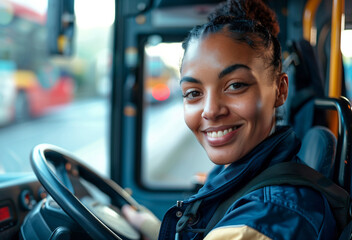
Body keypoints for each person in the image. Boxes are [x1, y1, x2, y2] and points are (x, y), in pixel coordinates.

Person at [122, 0, 337, 239]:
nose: (211, 111)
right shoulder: (240, 170)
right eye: (194, 93)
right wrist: (148, 226)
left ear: (280, 89)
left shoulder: (261, 220)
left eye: (235, 85)